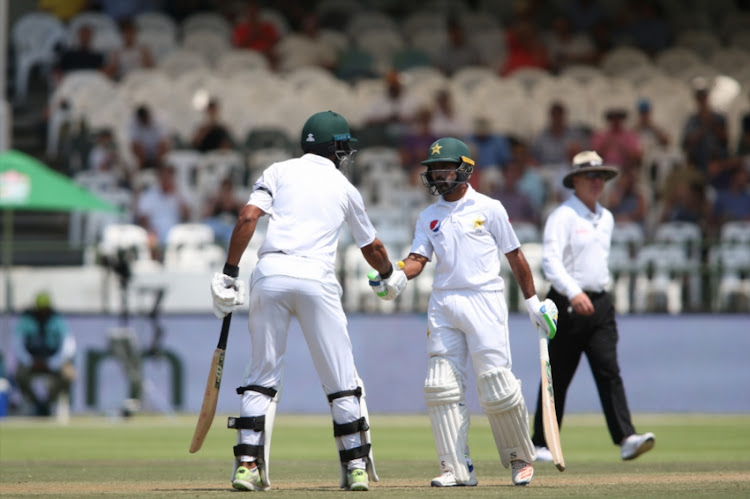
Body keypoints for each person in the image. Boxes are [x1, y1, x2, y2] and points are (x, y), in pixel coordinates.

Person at [209, 110, 397, 492]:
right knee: (341, 378)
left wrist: (229, 273)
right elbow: (372, 247)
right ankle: (356, 466)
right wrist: (390, 275)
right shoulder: (344, 187)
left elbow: (247, 219)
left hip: (271, 274)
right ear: (336, 148)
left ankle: (247, 464)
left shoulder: (278, 170)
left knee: (261, 375)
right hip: (316, 279)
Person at [369, 137, 557, 487]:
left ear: (464, 169)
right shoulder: (429, 216)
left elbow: (515, 256)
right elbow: (417, 260)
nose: (438, 175)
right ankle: (456, 468)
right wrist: (394, 276)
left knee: (497, 385)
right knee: (441, 386)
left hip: (484, 300)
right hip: (443, 303)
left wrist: (533, 304)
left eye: (444, 167)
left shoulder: (490, 208)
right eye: (433, 169)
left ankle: (519, 458)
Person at [531, 150, 655, 463]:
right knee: (557, 374)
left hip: (600, 302)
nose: (597, 182)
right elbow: (550, 263)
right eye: (590, 176)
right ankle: (540, 443)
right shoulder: (563, 216)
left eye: (601, 176)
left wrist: (595, 295)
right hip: (566, 302)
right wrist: (573, 293)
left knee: (609, 370)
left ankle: (627, 438)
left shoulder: (607, 218)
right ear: (576, 181)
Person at [12, 292, 76, 417]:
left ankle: (48, 403)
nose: (42, 312)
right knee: (20, 375)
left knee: (69, 375)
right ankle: (36, 404)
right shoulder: (27, 320)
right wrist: (30, 361)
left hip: (54, 360)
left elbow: (68, 345)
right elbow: (18, 345)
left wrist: (52, 363)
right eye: (40, 309)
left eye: (45, 309)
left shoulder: (57, 320)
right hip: (31, 361)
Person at [135, 163, 190, 258]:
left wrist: (177, 195)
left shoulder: (179, 194)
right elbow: (142, 218)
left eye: (169, 177)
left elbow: (187, 216)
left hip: (176, 232)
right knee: (150, 238)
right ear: (159, 178)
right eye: (164, 177)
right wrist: (151, 229)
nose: (166, 180)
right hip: (154, 231)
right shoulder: (149, 195)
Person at [129, 104, 171, 170]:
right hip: (144, 155)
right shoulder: (133, 124)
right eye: (143, 120)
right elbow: (134, 144)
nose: (145, 121)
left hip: (159, 153)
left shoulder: (159, 121)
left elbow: (163, 143)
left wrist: (158, 160)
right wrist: (142, 160)